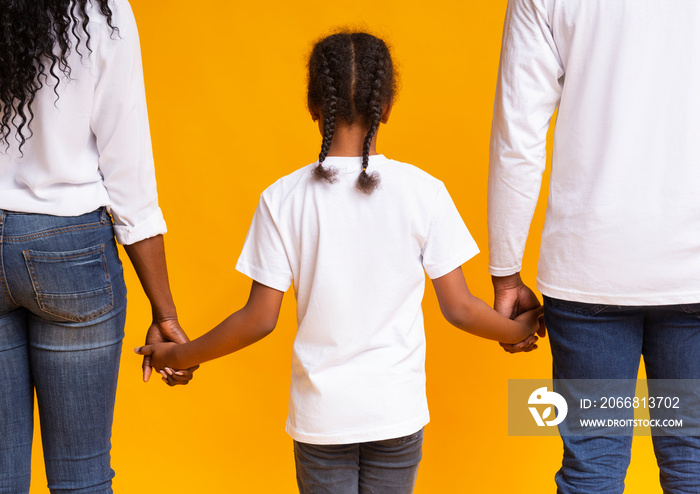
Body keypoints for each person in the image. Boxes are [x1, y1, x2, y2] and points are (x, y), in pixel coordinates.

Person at [135, 31, 543, 494]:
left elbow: (258, 319)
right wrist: (518, 330)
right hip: (396, 413)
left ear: (314, 106)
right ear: (385, 106)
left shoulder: (282, 199)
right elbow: (460, 308)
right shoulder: (423, 191)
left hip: (321, 419)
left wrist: (179, 356)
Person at [489, 0, 700, 492]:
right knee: (694, 461)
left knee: (593, 466)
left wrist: (506, 272)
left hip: (588, 268)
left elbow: (518, 140)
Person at [0, 1, 196, 492]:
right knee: (81, 474)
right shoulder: (102, 11)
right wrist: (165, 312)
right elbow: (128, 172)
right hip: (69, 250)